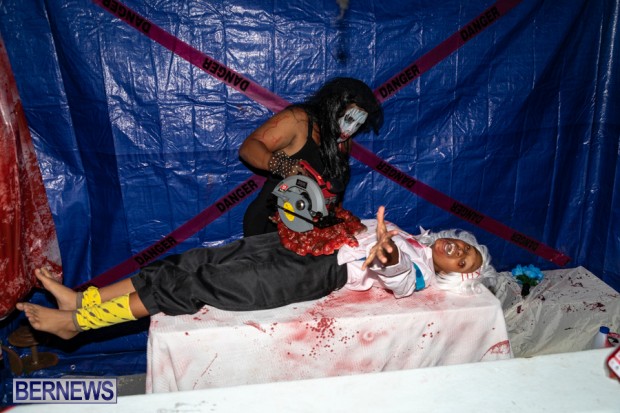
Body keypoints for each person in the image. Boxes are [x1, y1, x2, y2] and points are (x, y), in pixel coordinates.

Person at [17, 206, 495, 341]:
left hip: (313, 272)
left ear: (457, 277)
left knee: (194, 286)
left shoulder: (418, 269)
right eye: (464, 247)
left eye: (464, 262)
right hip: (306, 244)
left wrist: (389, 259)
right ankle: (83, 299)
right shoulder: (413, 235)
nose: (459, 252)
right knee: (191, 262)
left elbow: (400, 281)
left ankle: (80, 324)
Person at [239, 77, 383, 236]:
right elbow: (248, 148)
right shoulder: (298, 121)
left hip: (311, 232)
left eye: (358, 124)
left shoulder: (344, 143)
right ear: (334, 106)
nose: (350, 129)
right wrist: (282, 165)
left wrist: (341, 222)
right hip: (271, 227)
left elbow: (335, 195)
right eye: (349, 119)